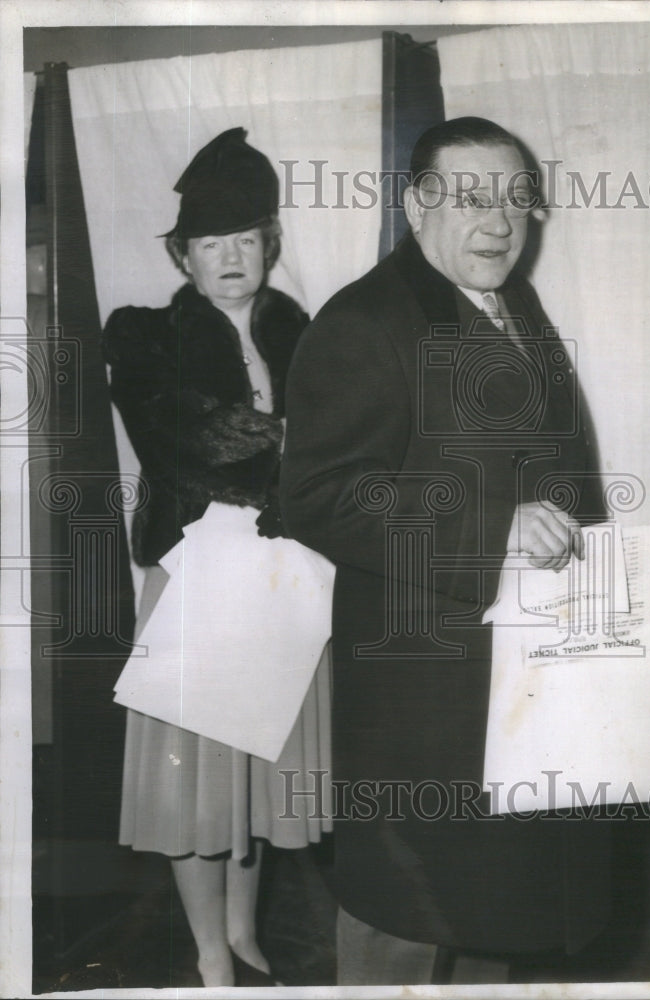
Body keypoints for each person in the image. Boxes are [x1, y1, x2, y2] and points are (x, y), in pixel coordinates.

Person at [280, 117, 611, 985]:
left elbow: (562, 465)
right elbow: (317, 496)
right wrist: (494, 524)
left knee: (496, 908)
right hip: (419, 694)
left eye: (514, 199)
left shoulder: (511, 303)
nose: (499, 222)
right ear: (414, 203)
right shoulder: (361, 321)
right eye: (471, 198)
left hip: (521, 672)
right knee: (404, 918)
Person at [103, 128, 329, 989]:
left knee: (253, 767)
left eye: (245, 239)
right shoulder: (142, 335)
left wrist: (304, 450)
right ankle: (206, 955)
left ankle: (241, 932)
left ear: (269, 246)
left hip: (282, 576)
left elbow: (350, 444)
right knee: (197, 779)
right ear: (183, 256)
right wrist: (300, 443)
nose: (229, 257)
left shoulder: (306, 328)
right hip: (194, 581)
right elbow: (186, 448)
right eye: (210, 243)